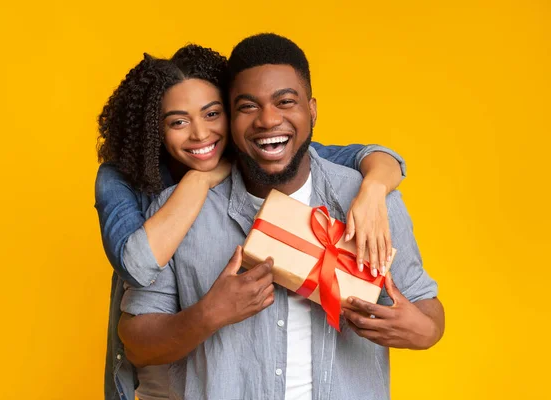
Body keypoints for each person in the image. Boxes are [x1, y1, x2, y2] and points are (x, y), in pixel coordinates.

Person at [117, 33, 445, 400]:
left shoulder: (371, 202)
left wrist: (425, 330)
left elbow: (427, 308)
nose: (268, 119)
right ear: (228, 116)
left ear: (313, 110)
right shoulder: (179, 213)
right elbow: (137, 345)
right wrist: (207, 315)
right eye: (247, 107)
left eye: (285, 101)